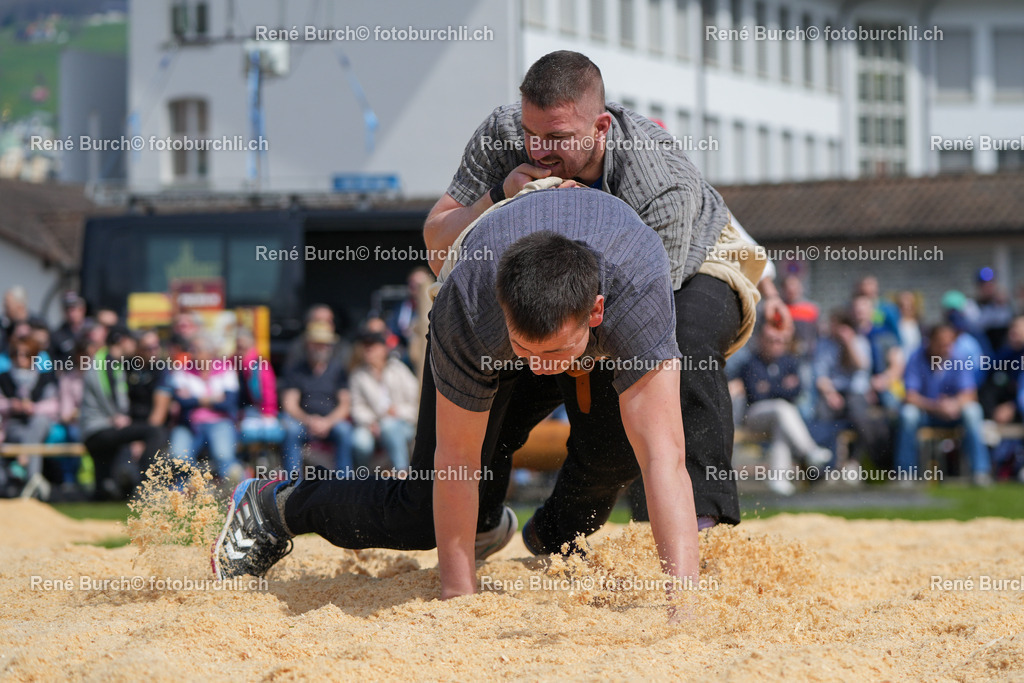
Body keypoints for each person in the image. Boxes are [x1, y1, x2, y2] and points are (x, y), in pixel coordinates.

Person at [213, 188, 700, 607]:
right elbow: (456, 459)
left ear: (595, 312)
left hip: (596, 313)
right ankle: (278, 502)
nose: (538, 366)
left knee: (622, 452)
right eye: (526, 349)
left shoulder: (638, 294)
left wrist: (683, 607)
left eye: (552, 351)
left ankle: (506, 526)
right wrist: (458, 597)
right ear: (503, 309)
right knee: (422, 514)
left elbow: (665, 458)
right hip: (489, 337)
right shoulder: (468, 307)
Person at [421, 50, 770, 530]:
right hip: (561, 281)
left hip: (695, 261)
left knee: (675, 352)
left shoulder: (658, 181)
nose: (540, 151)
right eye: (532, 134)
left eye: (558, 139)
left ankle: (698, 523)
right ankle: (479, 524)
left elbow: (647, 315)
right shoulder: (502, 134)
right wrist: (497, 196)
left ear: (600, 128)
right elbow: (439, 248)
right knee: (504, 369)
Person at [733, 325, 831, 495]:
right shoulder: (750, 363)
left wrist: (769, 387)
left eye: (780, 341)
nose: (776, 344)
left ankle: (778, 479)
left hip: (781, 417)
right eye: (771, 340)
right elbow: (756, 395)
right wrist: (781, 387)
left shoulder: (789, 362)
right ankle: (809, 451)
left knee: (782, 423)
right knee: (782, 408)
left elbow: (796, 391)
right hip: (754, 416)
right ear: (761, 341)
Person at [894, 324, 992, 486]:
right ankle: (906, 473)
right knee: (908, 414)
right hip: (926, 413)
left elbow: (970, 394)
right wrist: (935, 406)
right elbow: (909, 396)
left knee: (973, 411)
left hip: (952, 414)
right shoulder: (916, 357)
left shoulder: (958, 358)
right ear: (930, 342)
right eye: (941, 343)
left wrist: (954, 404)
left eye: (949, 343)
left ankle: (980, 472)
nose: (946, 348)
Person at [79, 327, 165, 500]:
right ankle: (147, 486)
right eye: (132, 342)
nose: (134, 347)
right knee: (154, 431)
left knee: (104, 490)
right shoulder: (103, 360)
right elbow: (104, 392)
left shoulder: (117, 363)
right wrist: (117, 416)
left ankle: (122, 486)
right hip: (99, 428)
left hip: (103, 426)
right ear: (122, 341)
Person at [278, 321, 355, 477]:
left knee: (345, 431)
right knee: (291, 431)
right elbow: (290, 404)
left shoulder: (338, 370)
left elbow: (345, 404)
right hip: (303, 420)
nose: (321, 347)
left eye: (325, 344)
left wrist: (327, 422)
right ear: (308, 345)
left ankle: (344, 483)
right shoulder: (296, 369)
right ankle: (291, 486)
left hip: (330, 421)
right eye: (317, 343)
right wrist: (309, 420)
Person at [167, 336, 243, 483]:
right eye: (192, 350)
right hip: (189, 423)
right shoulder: (182, 370)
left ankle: (238, 489)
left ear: (210, 352)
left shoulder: (225, 369)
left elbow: (229, 403)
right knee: (178, 457)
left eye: (198, 350)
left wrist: (195, 399)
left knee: (224, 456)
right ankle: (190, 487)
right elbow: (181, 402)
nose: (194, 354)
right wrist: (213, 398)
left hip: (220, 422)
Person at [349, 332, 419, 470]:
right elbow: (357, 406)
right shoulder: (358, 375)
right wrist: (371, 422)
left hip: (402, 423)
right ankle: (365, 479)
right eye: (365, 346)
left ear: (383, 349)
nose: (368, 350)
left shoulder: (398, 369)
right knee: (360, 442)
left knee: (389, 426)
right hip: (372, 425)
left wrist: (397, 411)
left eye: (372, 346)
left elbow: (416, 399)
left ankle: (402, 472)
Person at [0, 334, 60, 492]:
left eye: (25, 354)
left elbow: (54, 404)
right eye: (16, 354)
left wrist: (34, 408)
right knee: (26, 434)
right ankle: (34, 480)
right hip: (13, 426)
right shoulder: (3, 378)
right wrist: (11, 405)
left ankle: (22, 463)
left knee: (39, 422)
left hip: (39, 424)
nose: (20, 358)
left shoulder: (44, 377)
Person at [236, 327, 284, 445]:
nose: (240, 351)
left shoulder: (260, 365)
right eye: (238, 347)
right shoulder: (236, 363)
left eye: (243, 348)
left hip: (261, 412)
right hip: (246, 412)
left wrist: (267, 413)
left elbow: (268, 393)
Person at [50, 291, 89, 365]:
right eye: (67, 310)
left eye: (73, 309)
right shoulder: (57, 335)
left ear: (83, 310)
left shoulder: (92, 331)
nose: (71, 313)